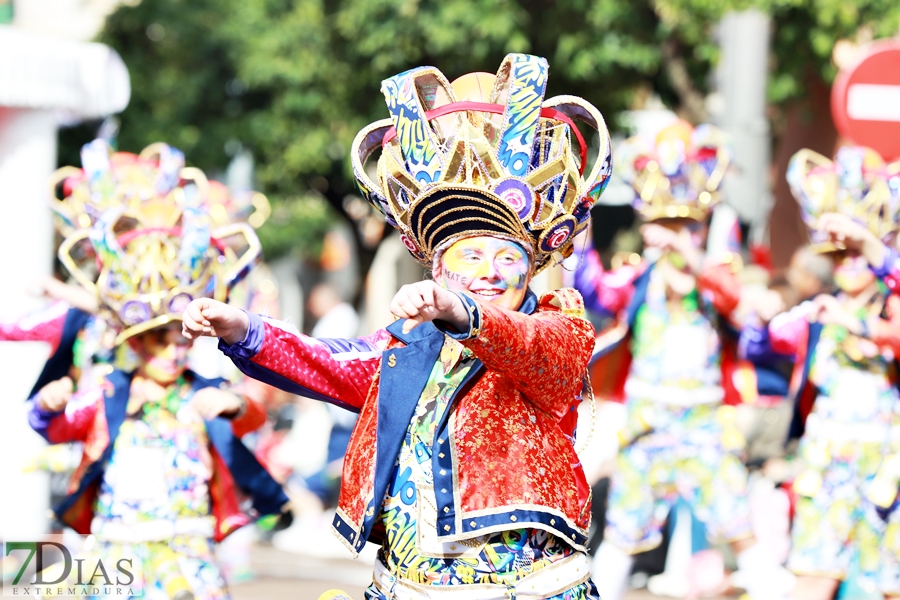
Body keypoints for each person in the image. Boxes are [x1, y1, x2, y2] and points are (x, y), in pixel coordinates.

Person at [184, 53, 613, 598]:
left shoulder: (557, 325)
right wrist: (241, 328)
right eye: (468, 257)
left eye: (506, 258)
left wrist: (463, 314)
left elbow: (539, 352)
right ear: (437, 268)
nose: (487, 273)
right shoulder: (410, 345)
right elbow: (327, 361)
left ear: (531, 268)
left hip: (523, 586)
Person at [27, 143, 288, 600]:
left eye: (180, 338)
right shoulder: (110, 395)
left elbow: (252, 418)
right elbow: (55, 428)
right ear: (134, 344)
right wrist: (47, 406)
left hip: (188, 553)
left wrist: (234, 403)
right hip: (115, 555)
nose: (172, 349)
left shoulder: (198, 393)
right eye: (157, 338)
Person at [570, 120, 793, 600]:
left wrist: (691, 261)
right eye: (662, 225)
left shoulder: (715, 280)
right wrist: (577, 230)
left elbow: (739, 302)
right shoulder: (637, 279)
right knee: (623, 536)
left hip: (705, 423)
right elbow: (595, 293)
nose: (670, 236)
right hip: (646, 420)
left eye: (682, 226)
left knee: (739, 526)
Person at [745, 146, 900, 600]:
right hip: (826, 460)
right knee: (814, 578)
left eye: (860, 253)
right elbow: (764, 343)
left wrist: (866, 323)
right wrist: (758, 314)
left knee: (888, 585)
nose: (849, 263)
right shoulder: (816, 314)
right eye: (841, 253)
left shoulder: (890, 306)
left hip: (885, 467)